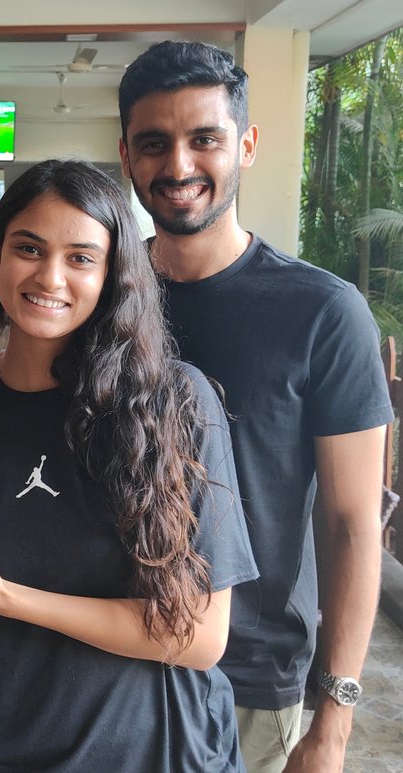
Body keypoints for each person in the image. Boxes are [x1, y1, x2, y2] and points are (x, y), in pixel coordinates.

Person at [0, 158, 258, 771]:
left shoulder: (173, 404)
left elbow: (198, 637)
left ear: (113, 275)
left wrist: (8, 598)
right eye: (28, 248)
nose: (50, 276)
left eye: (81, 257)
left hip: (145, 749)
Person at [117, 41, 392, 773]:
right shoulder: (104, 299)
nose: (178, 166)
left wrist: (332, 722)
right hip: (108, 653)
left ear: (246, 143)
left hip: (249, 681)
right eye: (154, 143)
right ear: (126, 156)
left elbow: (352, 524)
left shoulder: (323, 312)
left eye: (203, 138)